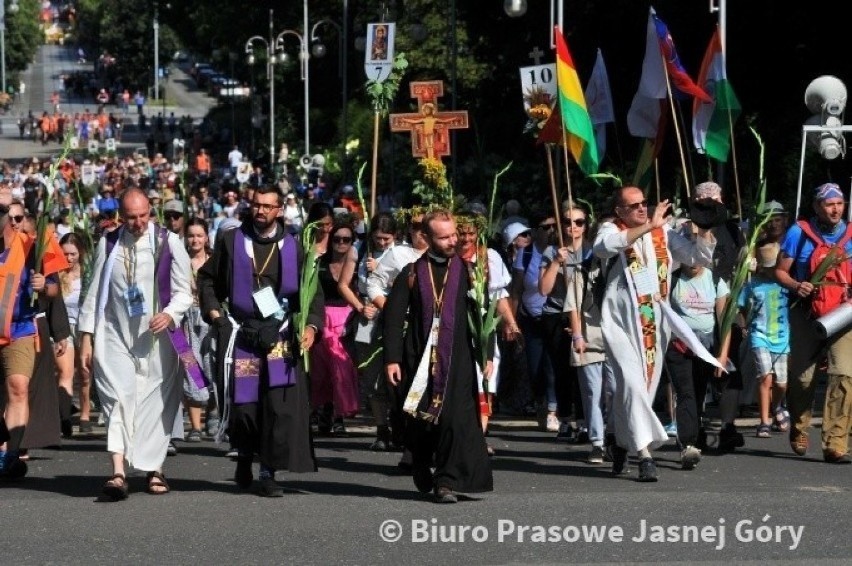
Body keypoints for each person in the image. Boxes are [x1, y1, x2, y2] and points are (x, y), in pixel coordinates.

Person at [197, 185, 323, 497]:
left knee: (277, 406)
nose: (261, 211)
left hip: (279, 334)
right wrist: (215, 314)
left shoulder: (294, 246)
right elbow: (208, 278)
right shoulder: (232, 241)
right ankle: (243, 453)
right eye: (256, 205)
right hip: (243, 334)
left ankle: (268, 472)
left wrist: (311, 326)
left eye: (268, 206)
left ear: (280, 210)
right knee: (246, 406)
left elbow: (311, 292)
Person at [593, 187, 716, 482]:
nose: (641, 209)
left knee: (639, 390)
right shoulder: (610, 228)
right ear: (620, 211)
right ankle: (645, 455)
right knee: (633, 385)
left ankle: (619, 442)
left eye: (644, 203)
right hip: (620, 324)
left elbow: (697, 257)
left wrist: (703, 229)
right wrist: (650, 225)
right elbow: (605, 247)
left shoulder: (663, 234)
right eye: (633, 206)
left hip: (653, 323)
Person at [78, 188, 193, 500]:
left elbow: (185, 291)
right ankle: (117, 472)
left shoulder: (168, 242)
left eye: (143, 216)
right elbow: (94, 293)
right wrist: (86, 338)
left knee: (157, 402)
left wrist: (170, 314)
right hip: (115, 333)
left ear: (150, 212)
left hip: (158, 338)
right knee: (118, 397)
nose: (138, 222)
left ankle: (155, 469)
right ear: (121, 216)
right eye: (131, 217)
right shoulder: (109, 242)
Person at [384, 209, 494, 503]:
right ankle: (419, 459)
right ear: (428, 238)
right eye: (444, 237)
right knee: (420, 417)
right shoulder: (412, 272)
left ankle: (445, 480)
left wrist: (488, 353)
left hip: (457, 359)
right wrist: (392, 359)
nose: (452, 241)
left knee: (454, 420)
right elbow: (393, 319)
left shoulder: (470, 272)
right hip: (419, 356)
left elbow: (483, 316)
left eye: (453, 234)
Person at [775, 182, 852, 464]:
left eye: (839, 204)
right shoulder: (799, 232)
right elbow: (780, 272)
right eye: (829, 204)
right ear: (817, 207)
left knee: (844, 375)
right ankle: (799, 427)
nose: (835, 209)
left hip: (843, 314)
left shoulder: (851, 233)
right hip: (807, 312)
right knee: (803, 379)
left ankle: (835, 442)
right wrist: (798, 285)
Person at [0, 195, 61, 479]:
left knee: (18, 388)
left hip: (19, 329)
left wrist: (43, 285)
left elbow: (53, 290)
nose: (11, 222)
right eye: (6, 216)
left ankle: (10, 454)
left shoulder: (32, 248)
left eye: (17, 218)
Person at [665, 258, 730, 470]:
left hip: (706, 348)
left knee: (700, 393)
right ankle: (687, 444)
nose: (692, 263)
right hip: (680, 346)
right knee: (686, 393)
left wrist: (722, 356)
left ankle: (695, 433)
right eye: (687, 257)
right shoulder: (672, 280)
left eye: (696, 257)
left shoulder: (715, 281)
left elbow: (725, 322)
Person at [309, 220, 360, 436]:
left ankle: (339, 416)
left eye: (346, 239)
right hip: (323, 318)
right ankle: (324, 413)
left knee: (343, 370)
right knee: (321, 371)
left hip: (346, 319)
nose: (341, 243)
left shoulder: (359, 263)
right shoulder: (319, 262)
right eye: (337, 239)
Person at [739, 242, 790, 439]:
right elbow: (742, 304)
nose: (770, 271)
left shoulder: (785, 283)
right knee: (765, 377)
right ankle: (764, 421)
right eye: (766, 267)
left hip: (782, 338)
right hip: (759, 336)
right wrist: (746, 324)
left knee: (782, 383)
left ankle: (777, 406)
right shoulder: (753, 285)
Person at [182, 219, 218, 441]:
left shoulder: (214, 261)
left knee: (211, 366)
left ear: (206, 237)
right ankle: (195, 425)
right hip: (185, 320)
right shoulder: (180, 261)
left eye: (199, 235)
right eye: (191, 235)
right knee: (190, 368)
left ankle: (212, 415)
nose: (195, 240)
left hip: (209, 318)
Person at [56, 233, 88, 436]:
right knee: (66, 373)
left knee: (85, 374)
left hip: (84, 327)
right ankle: (64, 417)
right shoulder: (57, 274)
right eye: (65, 254)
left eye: (73, 254)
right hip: (65, 327)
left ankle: (85, 415)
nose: (69, 258)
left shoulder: (88, 274)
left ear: (81, 253)